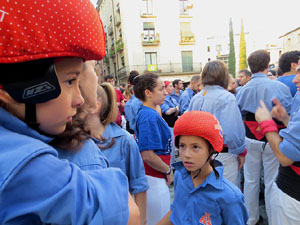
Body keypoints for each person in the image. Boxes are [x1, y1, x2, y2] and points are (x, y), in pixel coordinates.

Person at [0, 0, 139, 224]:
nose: (79, 98)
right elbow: (128, 212)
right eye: (70, 81)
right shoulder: (29, 168)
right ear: (10, 89)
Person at [158, 111, 249, 225]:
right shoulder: (180, 176)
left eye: (195, 147)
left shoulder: (230, 197)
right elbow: (176, 211)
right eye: (182, 146)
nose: (186, 154)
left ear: (211, 150)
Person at [236, 50, 292, 225]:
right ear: (268, 65)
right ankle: (273, 218)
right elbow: (289, 113)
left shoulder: (243, 90)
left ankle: (251, 218)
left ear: (250, 67)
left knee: (251, 179)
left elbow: (239, 114)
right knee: (271, 180)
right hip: (272, 136)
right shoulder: (280, 87)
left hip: (250, 138)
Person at [83, 82, 149, 225]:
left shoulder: (124, 141)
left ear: (95, 106)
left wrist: (141, 222)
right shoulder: (72, 142)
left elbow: (139, 185)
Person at [188, 60, 247, 187]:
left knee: (205, 194)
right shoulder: (227, 98)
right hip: (222, 155)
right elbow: (232, 132)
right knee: (226, 197)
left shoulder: (196, 98)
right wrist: (241, 151)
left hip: (200, 154)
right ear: (224, 76)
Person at [255, 65, 300, 224]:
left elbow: (285, 157)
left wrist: (267, 123)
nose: (295, 79)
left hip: (293, 195)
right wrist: (286, 119)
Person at [133, 73, 173, 225]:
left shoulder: (149, 113)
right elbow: (148, 155)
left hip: (155, 177)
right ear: (148, 93)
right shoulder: (148, 116)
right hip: (154, 179)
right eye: (161, 89)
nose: (165, 92)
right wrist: (168, 170)